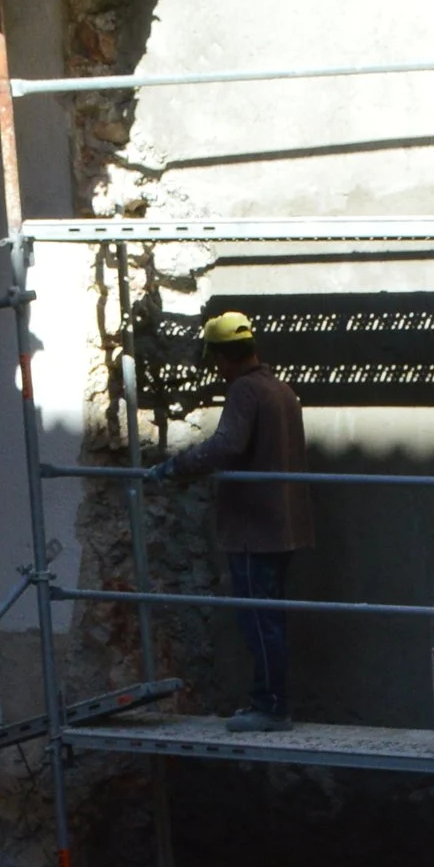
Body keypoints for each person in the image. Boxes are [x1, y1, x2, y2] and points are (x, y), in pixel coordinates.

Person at [154, 309, 315, 727]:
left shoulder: (245, 390)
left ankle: (271, 707)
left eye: (215, 360)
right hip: (282, 525)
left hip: (253, 528)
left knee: (259, 620)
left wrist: (175, 466)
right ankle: (271, 701)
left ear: (222, 356)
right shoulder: (282, 389)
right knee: (270, 618)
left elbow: (226, 445)